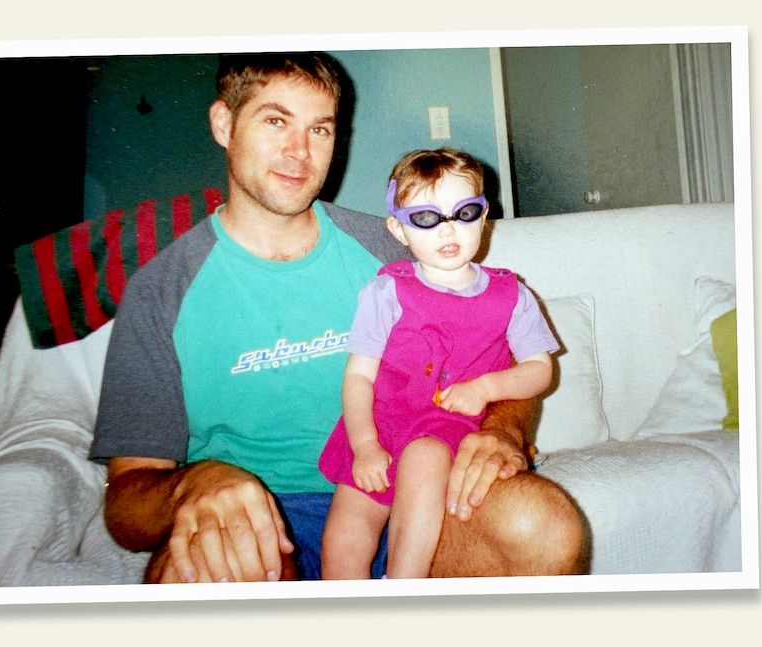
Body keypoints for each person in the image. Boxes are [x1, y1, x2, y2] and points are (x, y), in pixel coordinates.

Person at [89, 51, 584, 584]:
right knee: (198, 574)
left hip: (420, 494)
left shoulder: (400, 251)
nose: (299, 152)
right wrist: (196, 484)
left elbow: (517, 367)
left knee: (546, 523)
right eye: (276, 121)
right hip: (259, 525)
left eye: (319, 129)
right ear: (224, 124)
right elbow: (127, 505)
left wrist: (504, 430)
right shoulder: (162, 291)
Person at [319, 148, 557, 579]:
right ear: (398, 228)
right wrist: (364, 444)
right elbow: (358, 376)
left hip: (450, 425)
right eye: (427, 218)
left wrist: (486, 389)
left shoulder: (511, 295)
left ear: (485, 216)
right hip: (383, 425)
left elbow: (540, 369)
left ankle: (404, 585)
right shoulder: (386, 291)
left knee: (426, 457)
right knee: (347, 529)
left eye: (465, 212)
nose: (450, 229)